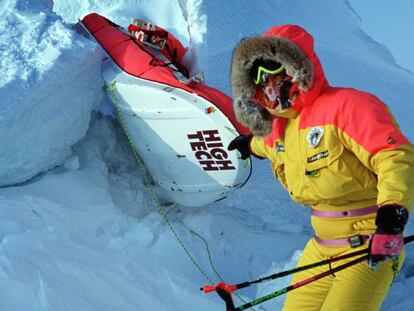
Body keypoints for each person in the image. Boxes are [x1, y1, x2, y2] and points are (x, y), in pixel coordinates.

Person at [227, 24, 414, 311]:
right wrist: (249, 144)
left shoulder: (349, 106)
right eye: (258, 76)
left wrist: (392, 218)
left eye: (273, 69)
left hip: (367, 243)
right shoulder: (282, 127)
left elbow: (394, 156)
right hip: (321, 246)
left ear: (295, 66)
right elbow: (272, 146)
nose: (267, 81)